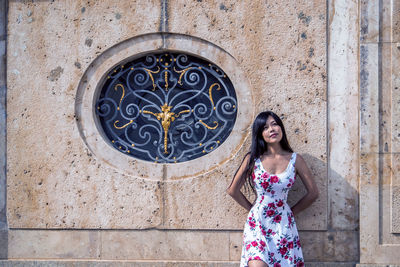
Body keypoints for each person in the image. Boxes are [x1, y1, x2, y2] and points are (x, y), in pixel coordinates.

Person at [227, 111, 319, 267]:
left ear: (281, 128)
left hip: (283, 224)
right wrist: (253, 210)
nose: (271, 129)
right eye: (265, 127)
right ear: (260, 134)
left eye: (275, 124)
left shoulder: (296, 160)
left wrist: (290, 212)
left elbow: (313, 193)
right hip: (258, 223)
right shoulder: (253, 158)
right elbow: (233, 190)